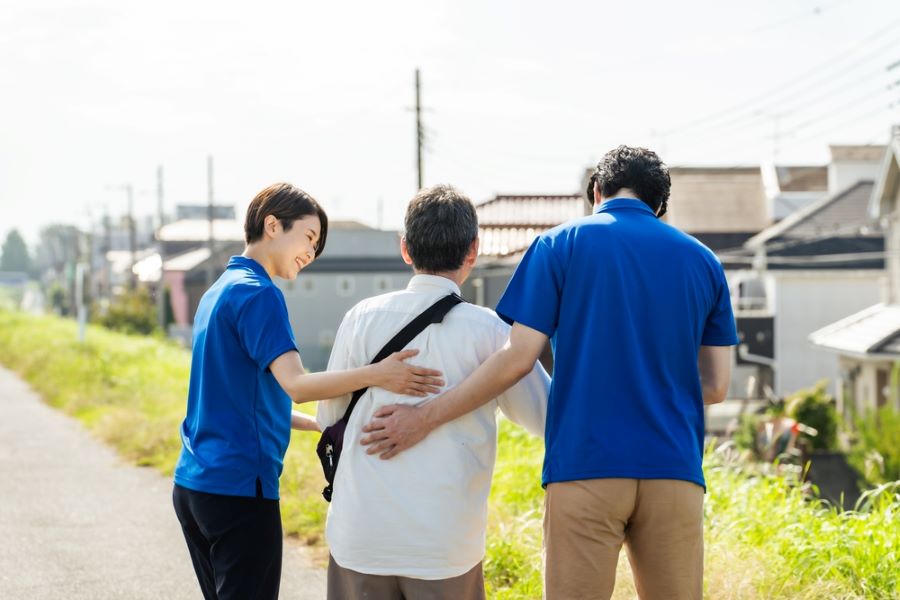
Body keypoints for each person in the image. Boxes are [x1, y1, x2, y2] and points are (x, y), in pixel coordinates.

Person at [361, 147, 737, 600]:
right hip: (674, 469)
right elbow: (716, 386)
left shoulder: (560, 244)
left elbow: (518, 358)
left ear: (596, 191)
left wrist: (424, 417)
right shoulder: (703, 261)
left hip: (585, 464)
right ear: (660, 205)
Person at [172, 182, 444, 600]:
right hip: (239, 489)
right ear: (272, 225)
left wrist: (320, 425)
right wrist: (377, 374)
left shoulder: (219, 290)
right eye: (309, 237)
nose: (311, 253)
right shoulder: (259, 294)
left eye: (317, 247)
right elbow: (297, 385)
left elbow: (239, 399)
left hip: (194, 485)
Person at [311, 184, 549, 600]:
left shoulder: (360, 318)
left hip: (361, 537)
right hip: (444, 546)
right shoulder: (493, 334)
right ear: (473, 250)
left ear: (405, 248)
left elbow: (327, 419)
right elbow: (548, 417)